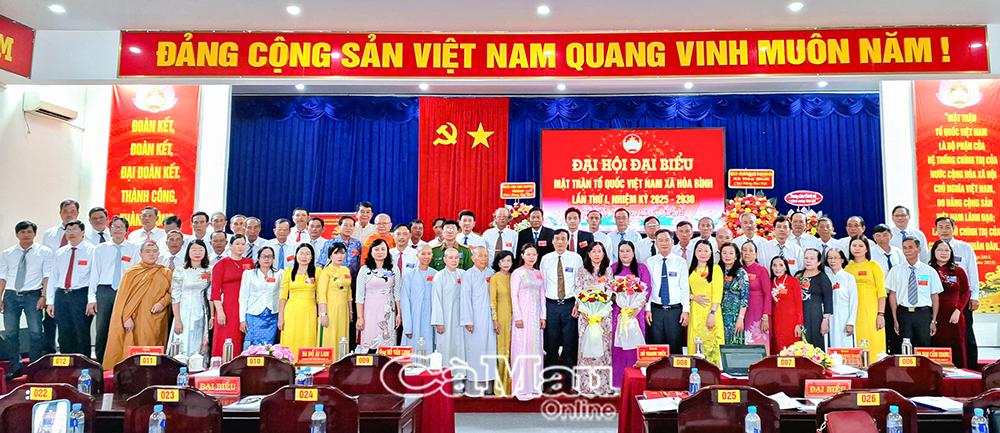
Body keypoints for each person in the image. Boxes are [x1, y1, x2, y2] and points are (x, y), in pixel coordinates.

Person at [102, 242, 172, 368]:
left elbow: (172, 293)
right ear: (140, 254)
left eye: (154, 251)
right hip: (135, 319)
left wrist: (162, 303)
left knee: (154, 348)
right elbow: (122, 299)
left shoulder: (165, 272)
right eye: (148, 251)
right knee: (134, 348)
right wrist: (126, 317)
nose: (151, 254)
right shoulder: (131, 273)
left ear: (158, 254)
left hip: (156, 318)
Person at [0, 221, 52, 374]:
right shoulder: (7, 253)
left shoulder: (44, 252)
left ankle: (34, 367)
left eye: (29, 232)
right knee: (11, 333)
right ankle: (15, 367)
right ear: (17, 234)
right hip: (10, 296)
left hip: (33, 295)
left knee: (36, 332)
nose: (26, 235)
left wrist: (44, 296)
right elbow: (2, 277)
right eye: (22, 232)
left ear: (34, 233)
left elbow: (47, 276)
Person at [90, 216, 139, 363]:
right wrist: (91, 298)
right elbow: (94, 274)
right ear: (109, 230)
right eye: (114, 227)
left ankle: (122, 361)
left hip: (125, 290)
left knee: (124, 326)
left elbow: (136, 273)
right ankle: (101, 362)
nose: (117, 230)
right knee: (102, 327)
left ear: (126, 230)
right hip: (104, 291)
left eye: (120, 227)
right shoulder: (100, 249)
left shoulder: (134, 248)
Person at [539, 229, 583, 390]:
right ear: (552, 241)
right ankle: (550, 381)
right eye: (557, 239)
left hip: (570, 306)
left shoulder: (576, 258)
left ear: (567, 241)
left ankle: (571, 382)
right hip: (551, 306)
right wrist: (542, 311)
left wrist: (578, 304)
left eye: (563, 239)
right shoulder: (545, 259)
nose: (559, 242)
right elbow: (542, 285)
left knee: (570, 345)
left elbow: (580, 283)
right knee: (551, 345)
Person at [936, 216, 980, 370]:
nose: (944, 230)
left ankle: (972, 369)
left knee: (967, 336)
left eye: (947, 227)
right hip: (941, 305)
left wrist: (974, 296)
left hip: (963, 300)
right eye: (940, 227)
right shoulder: (933, 250)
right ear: (936, 230)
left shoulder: (965, 248)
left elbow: (973, 273)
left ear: (953, 229)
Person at [47, 220, 96, 356]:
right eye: (68, 230)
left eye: (75, 230)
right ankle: (66, 362)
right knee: (64, 332)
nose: (71, 233)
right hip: (61, 295)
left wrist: (92, 300)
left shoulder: (92, 251)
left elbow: (94, 277)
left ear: (83, 232)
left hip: (81, 295)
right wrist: (50, 301)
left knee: (81, 331)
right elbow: (53, 277)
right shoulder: (60, 252)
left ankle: (83, 363)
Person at [886, 237, 941, 348]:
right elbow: (892, 295)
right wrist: (895, 319)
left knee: (924, 346)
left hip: (923, 314)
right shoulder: (895, 270)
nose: (907, 251)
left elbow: (935, 296)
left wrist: (934, 320)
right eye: (905, 248)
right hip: (904, 313)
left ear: (918, 249)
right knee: (905, 346)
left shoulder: (929, 271)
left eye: (910, 247)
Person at [611, 240, 651, 387]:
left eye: (628, 251)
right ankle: (617, 381)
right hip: (618, 313)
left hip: (636, 314)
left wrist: (636, 308)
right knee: (618, 346)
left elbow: (647, 290)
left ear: (633, 253)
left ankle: (636, 382)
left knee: (634, 344)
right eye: (622, 251)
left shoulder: (642, 268)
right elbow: (609, 291)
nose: (625, 254)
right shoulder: (613, 268)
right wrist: (619, 302)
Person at [42, 199, 80, 354]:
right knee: (49, 320)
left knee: (72, 323)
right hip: (53, 282)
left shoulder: (85, 234)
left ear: (78, 213)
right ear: (60, 213)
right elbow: (45, 260)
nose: (69, 214)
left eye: (72, 211)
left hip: (75, 285)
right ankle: (49, 354)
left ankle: (73, 354)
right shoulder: (49, 234)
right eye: (65, 211)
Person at [574, 241, 613, 396]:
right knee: (586, 348)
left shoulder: (608, 270)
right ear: (589, 254)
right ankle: (586, 386)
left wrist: (601, 310)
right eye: (594, 251)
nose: (597, 254)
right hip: (586, 315)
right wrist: (582, 308)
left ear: (604, 254)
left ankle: (603, 386)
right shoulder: (582, 270)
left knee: (603, 349)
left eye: (599, 251)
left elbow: (610, 291)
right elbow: (578, 290)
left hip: (603, 315)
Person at [509, 244, 546, 400]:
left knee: (535, 349)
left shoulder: (538, 273)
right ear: (522, 255)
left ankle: (534, 386)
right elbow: (514, 295)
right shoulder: (517, 273)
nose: (531, 257)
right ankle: (521, 387)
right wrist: (518, 317)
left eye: (534, 254)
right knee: (522, 349)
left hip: (536, 317)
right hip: (522, 317)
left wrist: (543, 316)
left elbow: (542, 296)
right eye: (528, 254)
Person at [644, 229, 690, 352]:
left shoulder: (681, 262)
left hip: (675, 311)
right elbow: (647, 288)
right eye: (660, 240)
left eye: (666, 240)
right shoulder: (650, 262)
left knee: (675, 348)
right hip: (655, 311)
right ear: (656, 243)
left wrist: (685, 310)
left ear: (672, 242)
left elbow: (684, 288)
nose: (664, 243)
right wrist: (647, 309)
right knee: (656, 349)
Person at [929, 240, 971, 368]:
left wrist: (958, 310)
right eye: (940, 250)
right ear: (934, 252)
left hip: (954, 316)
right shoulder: (928, 270)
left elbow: (966, 292)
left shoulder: (958, 271)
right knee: (936, 346)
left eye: (946, 250)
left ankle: (959, 373)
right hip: (933, 316)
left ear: (951, 253)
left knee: (957, 347)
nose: (943, 253)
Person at [844, 235, 886, 364]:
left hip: (872, 311)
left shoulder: (874, 266)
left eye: (861, 246)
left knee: (874, 341)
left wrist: (880, 314)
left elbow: (881, 292)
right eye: (854, 245)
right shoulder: (847, 268)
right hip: (853, 313)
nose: (857, 248)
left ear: (867, 249)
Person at [167, 240, 211, 360]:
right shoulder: (180, 270)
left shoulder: (208, 270)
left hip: (200, 310)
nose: (197, 253)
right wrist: (177, 319)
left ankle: (197, 366)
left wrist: (211, 317)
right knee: (181, 340)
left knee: (198, 341)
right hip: (183, 310)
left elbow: (210, 294)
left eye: (201, 250)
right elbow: (175, 297)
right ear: (188, 252)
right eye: (194, 250)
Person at [210, 235, 253, 357]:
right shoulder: (221, 264)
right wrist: (220, 312)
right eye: (237, 244)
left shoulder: (249, 263)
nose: (240, 247)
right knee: (226, 338)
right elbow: (215, 291)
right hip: (227, 307)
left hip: (245, 306)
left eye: (243, 244)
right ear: (230, 246)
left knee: (242, 337)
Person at [356, 238, 402, 350]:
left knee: (387, 343)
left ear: (387, 251)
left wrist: (399, 314)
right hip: (369, 312)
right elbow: (359, 296)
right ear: (371, 252)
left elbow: (397, 293)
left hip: (387, 311)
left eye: (383, 249)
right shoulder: (364, 270)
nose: (380, 252)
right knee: (369, 343)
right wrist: (360, 317)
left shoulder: (393, 269)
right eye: (376, 249)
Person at [431, 248, 469, 380]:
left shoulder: (464, 274)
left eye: (456, 257)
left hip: (461, 319)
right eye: (450, 258)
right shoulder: (439, 276)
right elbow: (436, 300)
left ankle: (460, 376)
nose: (454, 260)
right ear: (445, 260)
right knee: (445, 347)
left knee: (460, 347)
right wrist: (439, 322)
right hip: (445, 319)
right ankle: (445, 377)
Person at [463, 247, 497, 393]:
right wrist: (468, 320)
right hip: (474, 319)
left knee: (489, 351)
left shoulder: (492, 274)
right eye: (480, 256)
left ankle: (489, 388)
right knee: (475, 352)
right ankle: (474, 388)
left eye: (486, 256)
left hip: (490, 319)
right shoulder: (468, 275)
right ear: (473, 258)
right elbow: (465, 299)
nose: (484, 259)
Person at [278, 243, 319, 359]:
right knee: (290, 338)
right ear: (296, 255)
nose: (304, 256)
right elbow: (283, 297)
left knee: (308, 338)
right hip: (291, 312)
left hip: (309, 312)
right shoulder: (288, 272)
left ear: (312, 257)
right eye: (301, 253)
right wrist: (281, 317)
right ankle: (289, 365)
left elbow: (320, 295)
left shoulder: (317, 272)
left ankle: (306, 365)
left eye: (307, 254)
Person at [688, 240, 724, 364]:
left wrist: (712, 313)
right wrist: (693, 297)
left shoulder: (715, 269)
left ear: (711, 253)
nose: (703, 253)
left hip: (711, 310)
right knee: (696, 342)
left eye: (706, 251)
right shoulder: (690, 269)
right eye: (699, 250)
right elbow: (682, 290)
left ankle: (714, 370)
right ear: (695, 252)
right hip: (695, 311)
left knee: (712, 343)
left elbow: (717, 293)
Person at [239, 246, 282, 349]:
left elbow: (281, 295)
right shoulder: (249, 274)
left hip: (272, 315)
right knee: (252, 345)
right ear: (258, 258)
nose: (267, 259)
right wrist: (242, 319)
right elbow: (243, 297)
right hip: (253, 314)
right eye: (263, 256)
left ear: (273, 259)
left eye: (269, 256)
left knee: (268, 346)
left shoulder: (279, 274)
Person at [871, 224, 904, 354]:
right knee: (883, 328)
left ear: (891, 235)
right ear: (874, 237)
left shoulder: (898, 252)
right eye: (878, 236)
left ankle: (896, 355)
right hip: (880, 297)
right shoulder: (870, 253)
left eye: (885, 235)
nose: (882, 238)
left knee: (897, 328)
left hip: (897, 296)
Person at [317, 244, 352, 356]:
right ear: (330, 255)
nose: (339, 256)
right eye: (336, 253)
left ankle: (341, 361)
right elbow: (321, 294)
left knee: (342, 336)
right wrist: (324, 314)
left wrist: (350, 311)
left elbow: (349, 292)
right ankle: (328, 362)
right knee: (329, 336)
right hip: (330, 310)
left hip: (343, 310)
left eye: (342, 253)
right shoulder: (326, 271)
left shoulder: (346, 270)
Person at [489, 250, 515, 396]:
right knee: (502, 351)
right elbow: (492, 301)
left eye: (508, 261)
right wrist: (495, 320)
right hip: (502, 318)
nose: (506, 263)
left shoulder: (515, 276)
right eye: (503, 261)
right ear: (498, 263)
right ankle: (501, 388)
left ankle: (513, 386)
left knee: (513, 351)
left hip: (516, 318)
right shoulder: (495, 278)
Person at [796, 249, 833, 349]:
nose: (808, 261)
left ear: (819, 262)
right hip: (798, 316)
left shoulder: (823, 278)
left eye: (812, 258)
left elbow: (828, 300)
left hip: (815, 316)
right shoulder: (798, 275)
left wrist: (825, 320)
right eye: (806, 258)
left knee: (815, 345)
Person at [401, 246, 436, 351]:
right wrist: (408, 327)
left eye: (429, 254)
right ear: (417, 255)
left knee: (429, 350)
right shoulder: (409, 275)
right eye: (423, 253)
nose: (426, 257)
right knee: (413, 350)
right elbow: (405, 301)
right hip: (414, 319)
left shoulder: (436, 275)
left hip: (430, 320)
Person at [741, 241, 772, 351]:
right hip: (742, 312)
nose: (747, 253)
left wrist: (766, 316)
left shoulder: (761, 270)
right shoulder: (740, 270)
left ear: (756, 254)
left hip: (758, 312)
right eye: (744, 250)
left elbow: (768, 294)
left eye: (751, 250)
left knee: (758, 341)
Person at [824, 249, 858, 348]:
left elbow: (854, 301)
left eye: (835, 258)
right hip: (830, 319)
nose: (832, 261)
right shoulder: (826, 278)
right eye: (830, 258)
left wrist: (850, 322)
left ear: (842, 260)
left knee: (846, 347)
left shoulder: (849, 277)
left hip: (844, 319)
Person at [769, 256, 803, 352]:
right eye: (774, 265)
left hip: (791, 322)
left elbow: (799, 304)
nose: (777, 268)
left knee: (792, 349)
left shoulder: (793, 281)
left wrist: (799, 324)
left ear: (786, 267)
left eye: (781, 265)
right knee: (778, 348)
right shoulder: (770, 283)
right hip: (776, 322)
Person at [718, 243, 749, 346]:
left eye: (731, 253)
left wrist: (741, 318)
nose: (727, 256)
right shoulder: (717, 271)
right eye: (724, 253)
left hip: (734, 316)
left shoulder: (741, 273)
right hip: (718, 315)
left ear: (736, 256)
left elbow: (744, 298)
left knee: (733, 345)